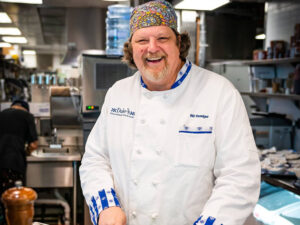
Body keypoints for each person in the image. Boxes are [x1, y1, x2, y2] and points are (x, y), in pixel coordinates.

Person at [79, 1, 261, 225]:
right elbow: (95, 159)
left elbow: (240, 175)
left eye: (162, 38)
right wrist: (106, 207)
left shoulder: (219, 93)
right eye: (142, 40)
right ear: (131, 48)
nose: (152, 48)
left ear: (179, 44)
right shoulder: (118, 93)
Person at [0, 99, 38, 224]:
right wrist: (26, 151)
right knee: (15, 204)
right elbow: (33, 144)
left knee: (3, 202)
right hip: (13, 164)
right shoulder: (27, 116)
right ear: (26, 109)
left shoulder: (2, 114)